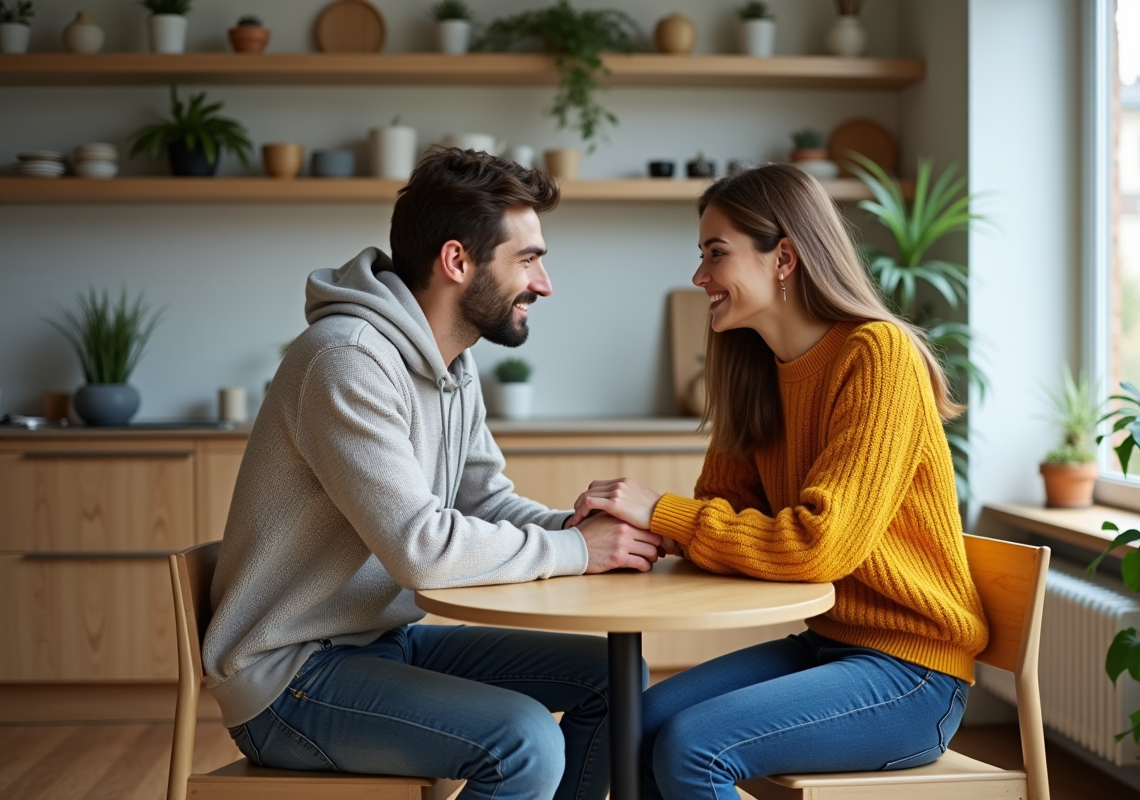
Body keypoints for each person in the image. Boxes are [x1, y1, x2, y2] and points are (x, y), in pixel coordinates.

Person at [202, 148, 664, 800]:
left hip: (380, 642)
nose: (544, 284)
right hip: (290, 675)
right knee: (525, 743)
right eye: (528, 259)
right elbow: (421, 549)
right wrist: (577, 551)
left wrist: (580, 530)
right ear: (457, 261)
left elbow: (484, 499)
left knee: (616, 678)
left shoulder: (450, 363)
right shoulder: (347, 361)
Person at [568, 164, 990, 800]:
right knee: (631, 725)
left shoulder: (877, 355)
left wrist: (662, 512)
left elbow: (821, 546)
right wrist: (636, 528)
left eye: (716, 253)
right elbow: (723, 511)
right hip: (827, 645)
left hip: (913, 672)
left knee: (692, 748)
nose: (699, 276)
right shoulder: (756, 368)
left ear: (784, 257)